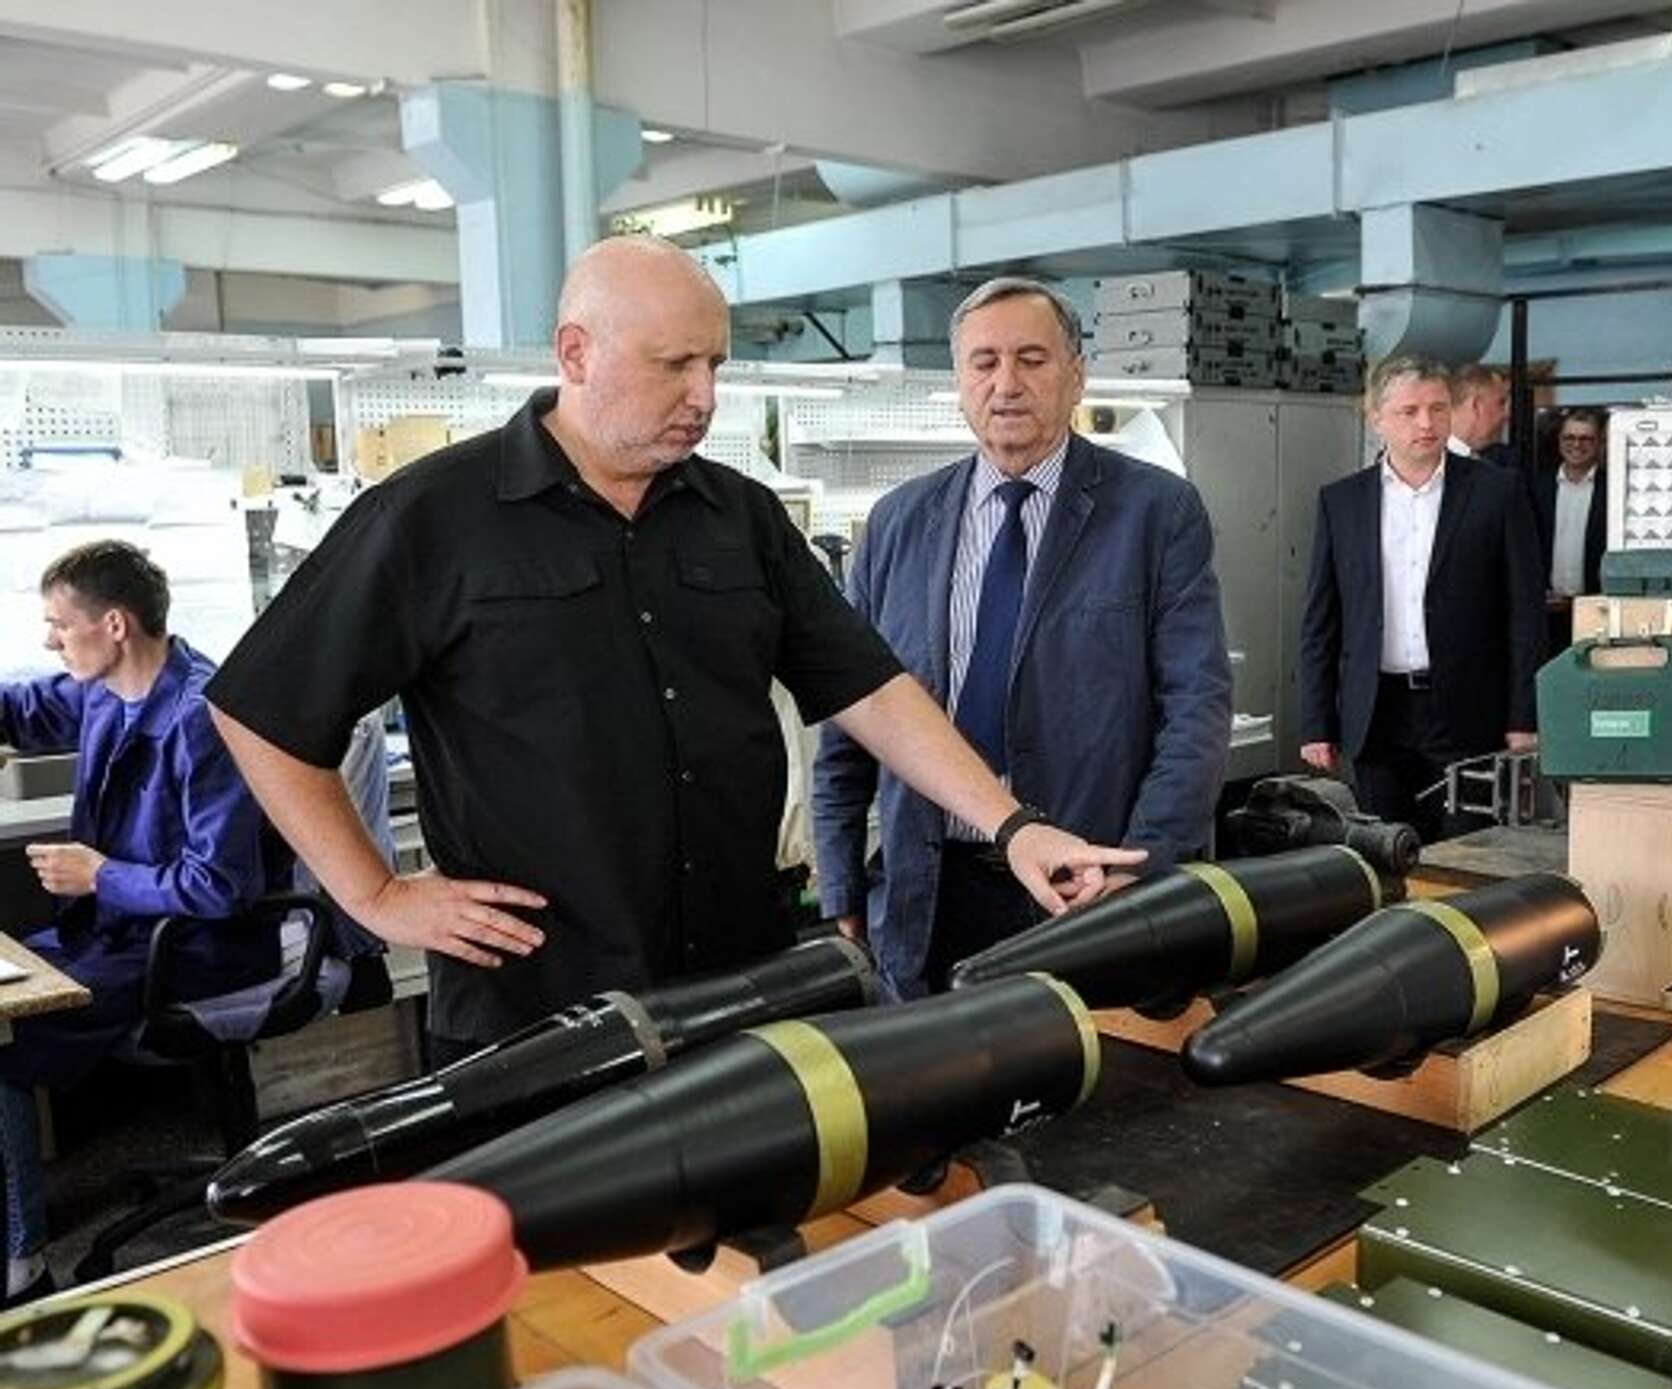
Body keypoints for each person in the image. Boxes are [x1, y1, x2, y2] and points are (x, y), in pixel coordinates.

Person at [206, 236, 1139, 1062]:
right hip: (537, 1011)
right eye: (674, 365)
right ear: (576, 352)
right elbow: (259, 709)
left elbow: (872, 690)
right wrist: (372, 894)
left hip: (739, 994)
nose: (705, 397)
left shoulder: (741, 519)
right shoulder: (433, 518)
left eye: (714, 364)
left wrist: (1012, 825)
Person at [812, 278, 1233, 998]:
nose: (1006, 383)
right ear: (959, 381)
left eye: (1032, 359)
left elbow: (1197, 707)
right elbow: (853, 710)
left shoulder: (1155, 512)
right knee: (932, 1065)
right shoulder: (897, 523)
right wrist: (841, 880)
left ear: (1076, 375)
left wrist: (1141, 870)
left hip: (1084, 886)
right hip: (930, 888)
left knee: (1091, 1063)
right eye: (984, 362)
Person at [0, 541, 281, 1306]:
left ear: (115, 625)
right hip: (117, 933)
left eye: (60, 625)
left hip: (194, 946)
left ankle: (22, 1265)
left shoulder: (202, 717)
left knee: (2, 1036)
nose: (50, 640)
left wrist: (99, 876)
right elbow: (22, 709)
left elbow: (221, 886)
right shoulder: (102, 691)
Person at [1297, 355, 1544, 842]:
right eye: (1409, 411)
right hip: (1377, 713)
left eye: (1438, 408)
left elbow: (1525, 616)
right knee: (1385, 850)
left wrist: (1524, 717)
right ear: (1376, 418)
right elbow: (1321, 621)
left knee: (1464, 854)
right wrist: (1315, 722)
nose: (1426, 423)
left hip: (1467, 711)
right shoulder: (1342, 502)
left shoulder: (1497, 493)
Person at [1532, 407, 1610, 652]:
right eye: (1570, 437)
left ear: (1599, 444)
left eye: (1586, 439)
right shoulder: (1536, 488)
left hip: (1596, 611)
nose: (1577, 445)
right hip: (1546, 612)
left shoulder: (1612, 489)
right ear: (1559, 441)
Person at [1447, 363, 1519, 468]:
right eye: (1501, 403)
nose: (1507, 415)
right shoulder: (1431, 463)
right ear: (1475, 406)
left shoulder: (1498, 461)